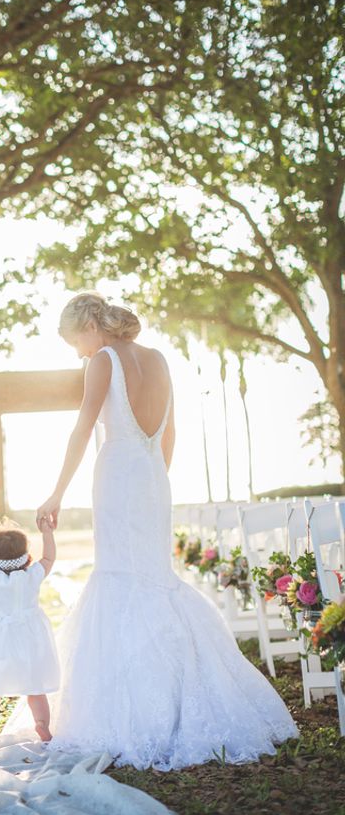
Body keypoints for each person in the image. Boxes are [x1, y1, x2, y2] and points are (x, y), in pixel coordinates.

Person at [35, 291, 298, 770]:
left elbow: (81, 429)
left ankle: (132, 706)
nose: (78, 352)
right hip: (154, 475)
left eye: (76, 341)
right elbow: (170, 432)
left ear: (90, 328)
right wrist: (154, 477)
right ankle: (173, 696)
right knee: (155, 578)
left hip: (116, 474)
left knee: (119, 577)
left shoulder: (103, 361)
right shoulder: (158, 360)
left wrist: (56, 493)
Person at [0, 520, 60, 741]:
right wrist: (47, 533)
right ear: (25, 554)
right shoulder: (33, 575)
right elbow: (49, 557)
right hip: (28, 637)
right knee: (35, 686)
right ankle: (42, 724)